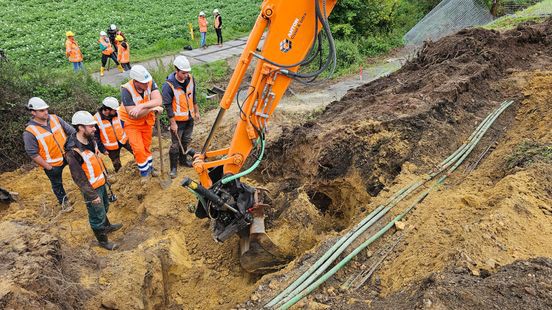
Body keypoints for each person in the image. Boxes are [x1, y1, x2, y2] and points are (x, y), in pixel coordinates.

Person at [65, 111, 122, 250]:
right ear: (80, 127)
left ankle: (107, 226)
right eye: (90, 126)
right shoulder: (73, 150)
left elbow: (96, 160)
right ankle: (103, 241)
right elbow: (78, 177)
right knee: (97, 215)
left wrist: (105, 175)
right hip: (91, 188)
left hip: (101, 182)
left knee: (105, 207)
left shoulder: (91, 140)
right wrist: (92, 195)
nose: (94, 128)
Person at [23, 97, 75, 211]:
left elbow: (71, 132)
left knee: (79, 172)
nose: (45, 112)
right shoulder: (30, 131)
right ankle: (64, 203)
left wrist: (73, 148)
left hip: (68, 155)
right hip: (52, 164)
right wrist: (48, 167)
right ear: (33, 112)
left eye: (46, 109)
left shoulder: (55, 118)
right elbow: (32, 153)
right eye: (41, 110)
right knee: (57, 184)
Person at [118, 65, 163, 179]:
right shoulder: (126, 90)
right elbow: (134, 115)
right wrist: (152, 108)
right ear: (136, 81)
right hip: (131, 124)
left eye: (147, 82)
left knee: (147, 146)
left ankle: (150, 168)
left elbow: (158, 100)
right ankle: (145, 173)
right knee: (138, 148)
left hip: (146, 121)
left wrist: (142, 106)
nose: (147, 84)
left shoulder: (150, 82)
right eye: (143, 83)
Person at [162, 56, 200, 178]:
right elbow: (167, 106)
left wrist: (196, 111)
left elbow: (193, 96)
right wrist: (173, 123)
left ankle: (183, 161)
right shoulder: (169, 86)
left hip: (189, 119)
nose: (186, 75)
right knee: (175, 145)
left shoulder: (191, 79)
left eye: (187, 72)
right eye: (183, 73)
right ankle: (173, 168)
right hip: (178, 122)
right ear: (176, 70)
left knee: (185, 141)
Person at [94, 97, 133, 172]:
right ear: (107, 110)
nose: (116, 111)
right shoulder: (96, 119)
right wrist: (102, 149)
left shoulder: (117, 113)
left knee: (136, 151)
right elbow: (96, 137)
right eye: (114, 110)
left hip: (123, 139)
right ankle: (121, 177)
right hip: (111, 147)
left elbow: (125, 123)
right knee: (117, 164)